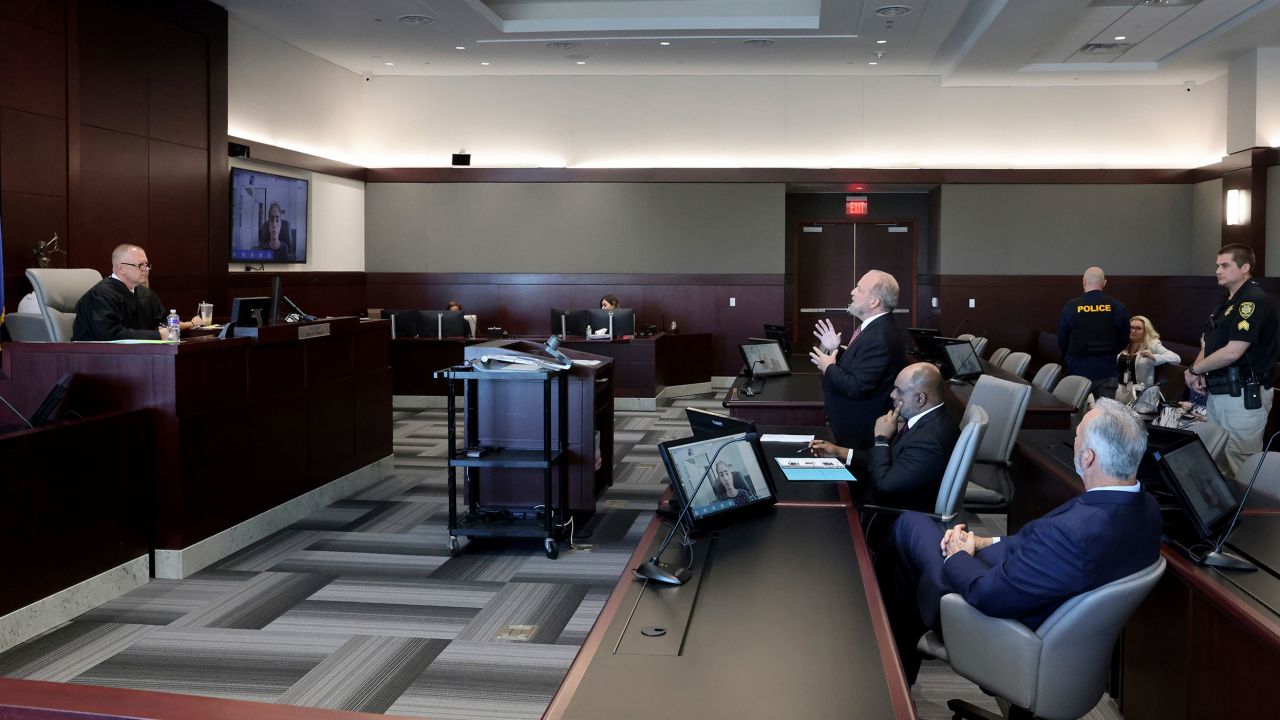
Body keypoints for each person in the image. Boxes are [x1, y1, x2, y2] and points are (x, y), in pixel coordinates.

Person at [876, 398, 1162, 684]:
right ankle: (897, 660)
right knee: (908, 556)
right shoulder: (1146, 508)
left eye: (1076, 438)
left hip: (999, 624)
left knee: (908, 526)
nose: (1072, 442)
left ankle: (887, 661)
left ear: (1088, 457)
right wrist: (984, 542)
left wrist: (957, 555)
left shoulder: (1073, 533)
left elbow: (987, 595)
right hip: (1042, 609)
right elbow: (1039, 548)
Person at [808, 362, 959, 512]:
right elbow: (888, 459)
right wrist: (838, 452)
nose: (892, 395)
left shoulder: (928, 440)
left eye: (899, 391)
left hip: (886, 515)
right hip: (882, 498)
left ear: (920, 399)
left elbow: (885, 486)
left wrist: (881, 439)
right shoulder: (928, 420)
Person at [1185, 243, 1279, 477]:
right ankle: (1224, 513)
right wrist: (1201, 369)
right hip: (1219, 393)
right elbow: (1208, 341)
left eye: (1225, 265)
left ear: (1244, 268)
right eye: (1217, 266)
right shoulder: (1226, 301)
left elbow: (1233, 351)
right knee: (1217, 461)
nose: (1218, 270)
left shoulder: (1252, 301)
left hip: (1243, 397)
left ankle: (1245, 514)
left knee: (1240, 465)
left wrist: (1195, 369)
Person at [809, 270, 907, 450]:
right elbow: (858, 367)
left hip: (858, 434)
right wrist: (834, 349)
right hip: (850, 427)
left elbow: (857, 387)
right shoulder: (876, 328)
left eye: (859, 289)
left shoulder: (878, 336)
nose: (852, 292)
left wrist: (829, 367)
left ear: (874, 301)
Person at [72, 244, 206, 341]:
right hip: (97, 359)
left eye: (147, 265)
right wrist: (158, 335)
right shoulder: (100, 295)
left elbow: (163, 322)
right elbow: (109, 335)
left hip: (140, 355)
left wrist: (187, 325)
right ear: (121, 268)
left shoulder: (145, 294)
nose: (146, 269)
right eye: (140, 265)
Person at [1057, 266, 1129, 395]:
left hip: (1077, 368)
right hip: (1107, 369)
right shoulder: (1117, 306)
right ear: (1104, 283)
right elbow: (1124, 338)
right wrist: (1110, 352)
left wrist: (1069, 357)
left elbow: (1062, 338)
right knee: (1105, 413)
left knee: (1075, 412)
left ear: (1084, 282)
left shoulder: (1072, 307)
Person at [1116, 315, 1180, 402]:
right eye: (1131, 327)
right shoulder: (1123, 343)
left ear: (1146, 331)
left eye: (1138, 328)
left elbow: (1176, 358)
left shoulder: (1152, 344)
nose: (1133, 331)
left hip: (1141, 394)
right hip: (1120, 391)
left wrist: (1154, 357)